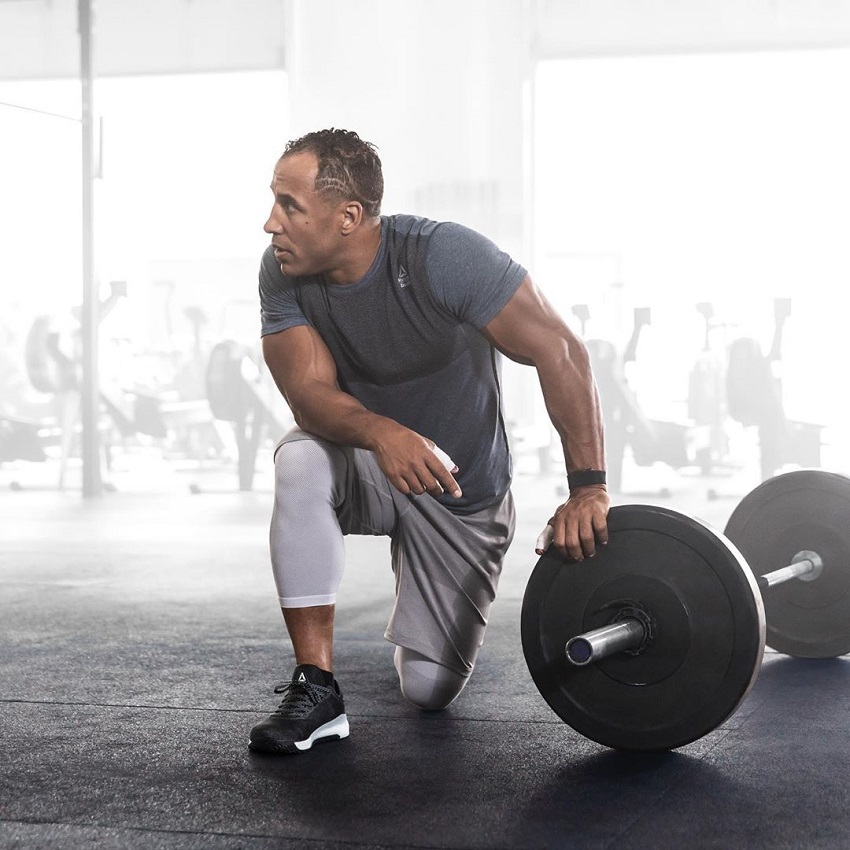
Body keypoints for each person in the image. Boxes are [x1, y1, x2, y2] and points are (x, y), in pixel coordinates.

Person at [248, 128, 609, 755]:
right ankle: (317, 686)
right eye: (275, 202)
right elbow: (308, 396)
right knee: (299, 461)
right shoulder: (283, 271)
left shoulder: (443, 256)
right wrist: (383, 432)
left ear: (348, 217)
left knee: (427, 689)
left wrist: (590, 489)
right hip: (370, 465)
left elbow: (559, 349)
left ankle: (423, 595)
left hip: (461, 492)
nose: (270, 223)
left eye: (290, 206)